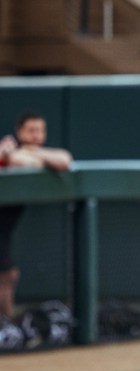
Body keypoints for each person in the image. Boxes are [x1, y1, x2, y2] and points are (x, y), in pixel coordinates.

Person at [0, 113, 72, 321]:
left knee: (7, 275)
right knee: (7, 275)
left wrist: (33, 152)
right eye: (31, 130)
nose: (36, 135)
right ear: (19, 132)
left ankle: (6, 326)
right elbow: (21, 162)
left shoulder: (31, 153)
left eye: (40, 130)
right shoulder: (8, 152)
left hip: (5, 226)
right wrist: (12, 154)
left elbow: (64, 160)